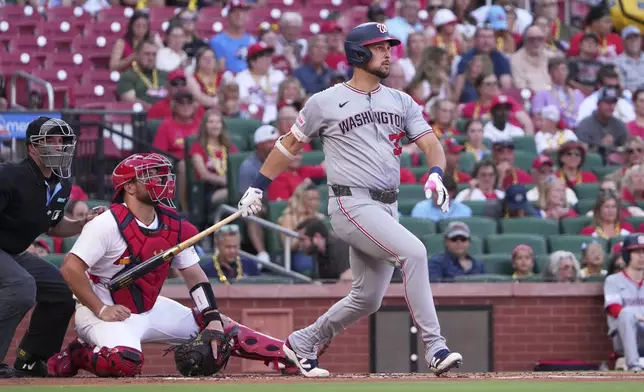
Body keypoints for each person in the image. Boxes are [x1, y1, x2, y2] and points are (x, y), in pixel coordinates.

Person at [236, 22, 463, 377]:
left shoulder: (401, 100)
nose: (388, 52)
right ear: (358, 53)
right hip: (349, 203)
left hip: (387, 207)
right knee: (415, 252)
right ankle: (435, 346)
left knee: (367, 298)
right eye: (379, 47)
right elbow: (288, 145)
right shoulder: (324, 101)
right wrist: (258, 185)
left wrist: (435, 172)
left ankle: (303, 342)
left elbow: (431, 144)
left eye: (389, 47)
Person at [46, 153, 300, 378]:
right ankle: (78, 353)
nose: (161, 180)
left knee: (218, 327)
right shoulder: (106, 223)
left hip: (149, 307)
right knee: (125, 362)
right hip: (103, 310)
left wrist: (211, 319)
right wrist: (101, 309)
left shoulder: (173, 224)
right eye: (149, 176)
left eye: (161, 174)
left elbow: (194, 275)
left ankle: (287, 354)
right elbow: (70, 268)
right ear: (130, 187)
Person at [0, 117, 101, 377]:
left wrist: (82, 223)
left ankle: (32, 359)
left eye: (62, 141)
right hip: (5, 250)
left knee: (61, 292)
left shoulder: (61, 183)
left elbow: (52, 225)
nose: (59, 146)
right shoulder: (9, 175)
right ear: (33, 147)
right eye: (51, 140)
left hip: (12, 252)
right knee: (22, 287)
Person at [604, 234, 644, 371]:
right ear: (627, 255)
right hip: (624, 335)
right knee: (626, 314)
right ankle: (634, 366)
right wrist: (638, 317)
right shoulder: (613, 280)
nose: (642, 256)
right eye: (637, 252)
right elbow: (614, 309)